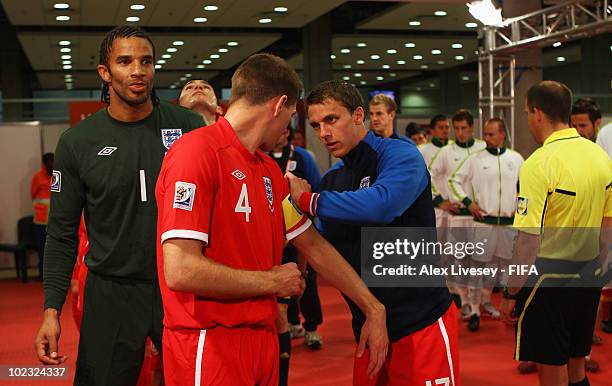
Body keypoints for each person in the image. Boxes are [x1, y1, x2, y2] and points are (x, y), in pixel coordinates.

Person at [156, 53, 387, 386]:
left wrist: (372, 307)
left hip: (262, 338)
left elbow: (312, 243)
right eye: (292, 115)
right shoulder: (196, 153)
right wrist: (272, 282)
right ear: (279, 105)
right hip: (209, 341)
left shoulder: (268, 171)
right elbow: (180, 270)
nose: (287, 128)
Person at [34, 25, 205, 385]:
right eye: (125, 61)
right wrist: (52, 311)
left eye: (146, 61)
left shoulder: (189, 128)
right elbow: (61, 234)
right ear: (105, 73)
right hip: (109, 293)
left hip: (179, 287)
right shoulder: (78, 142)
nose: (138, 70)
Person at [290, 80, 459, 385]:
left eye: (331, 119)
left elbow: (383, 205)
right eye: (316, 125)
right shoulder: (332, 182)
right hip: (368, 327)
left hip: (421, 321)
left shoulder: (399, 155)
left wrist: (308, 200)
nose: (323, 133)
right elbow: (318, 246)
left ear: (358, 115)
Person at [500, 80, 612, 386]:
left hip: (547, 282)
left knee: (552, 374)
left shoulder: (538, 164)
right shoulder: (601, 158)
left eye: (526, 113)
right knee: (576, 371)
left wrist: (511, 292)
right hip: (588, 275)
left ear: (537, 113)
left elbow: (527, 242)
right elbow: (607, 224)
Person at [448, 118, 524, 331]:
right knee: (478, 266)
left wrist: (521, 212)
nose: (487, 138)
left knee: (499, 268)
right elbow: (453, 180)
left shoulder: (517, 159)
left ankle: (487, 301)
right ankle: (473, 309)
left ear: (503, 135)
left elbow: (526, 188)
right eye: (486, 134)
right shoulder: (475, 159)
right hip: (484, 222)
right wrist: (468, 203)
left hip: (509, 224)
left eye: (491, 134)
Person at [269, 126, 324, 385]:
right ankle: (292, 324)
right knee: (280, 290)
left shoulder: (302, 157)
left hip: (298, 229)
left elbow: (316, 192)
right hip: (272, 235)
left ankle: (312, 327)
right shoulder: (261, 157)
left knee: (306, 280)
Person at [430, 109, 486, 316]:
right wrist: (440, 201)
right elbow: (429, 177)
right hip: (457, 213)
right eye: (457, 129)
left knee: (481, 260)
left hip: (482, 214)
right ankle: (463, 301)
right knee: (458, 259)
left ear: (472, 128)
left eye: (464, 128)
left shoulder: (482, 148)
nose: (460, 133)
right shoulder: (446, 152)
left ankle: (480, 303)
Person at [31, 152, 54, 280]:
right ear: (44, 164)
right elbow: (33, 196)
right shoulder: (37, 177)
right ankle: (43, 275)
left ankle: (55, 276)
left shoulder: (58, 176)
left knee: (56, 250)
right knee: (42, 249)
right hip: (40, 222)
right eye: (51, 162)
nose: (53, 164)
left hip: (55, 221)